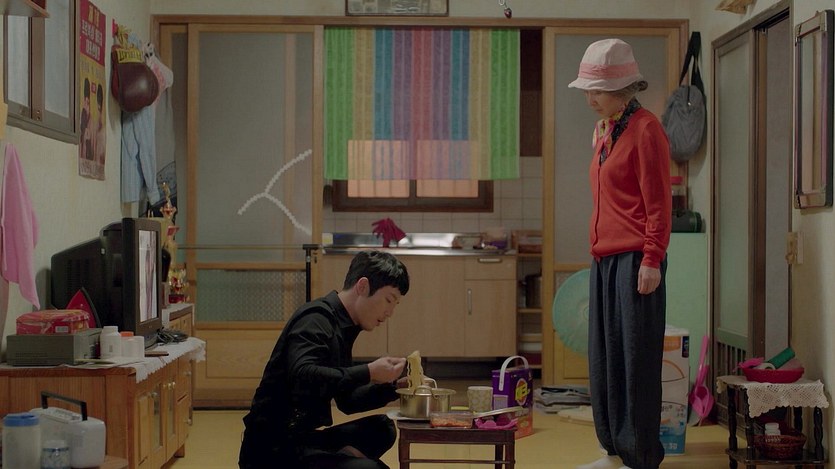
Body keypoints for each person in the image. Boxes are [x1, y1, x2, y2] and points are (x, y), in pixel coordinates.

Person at [567, 38, 672, 469]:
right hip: (604, 259)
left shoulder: (646, 129)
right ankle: (613, 446)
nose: (590, 99)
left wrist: (652, 258)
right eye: (588, 90)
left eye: (597, 91)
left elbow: (658, 202)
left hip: (635, 260)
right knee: (606, 357)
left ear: (622, 89)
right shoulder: (606, 130)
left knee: (635, 359)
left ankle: (640, 454)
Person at [239, 250, 410, 469]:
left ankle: (337, 459)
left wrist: (395, 389)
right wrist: (369, 372)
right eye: (388, 300)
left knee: (382, 428)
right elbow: (303, 374)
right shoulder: (316, 318)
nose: (390, 312)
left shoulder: (346, 326)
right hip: (271, 450)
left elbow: (348, 401)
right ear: (363, 286)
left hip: (301, 438)